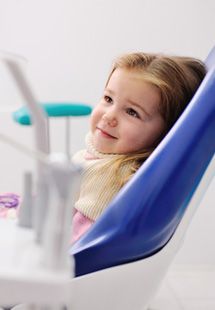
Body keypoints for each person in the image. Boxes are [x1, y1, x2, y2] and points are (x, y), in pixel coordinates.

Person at [72, 51, 206, 243]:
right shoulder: (104, 156)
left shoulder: (113, 178)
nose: (109, 116)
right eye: (108, 99)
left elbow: (79, 241)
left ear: (165, 133)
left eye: (132, 112)